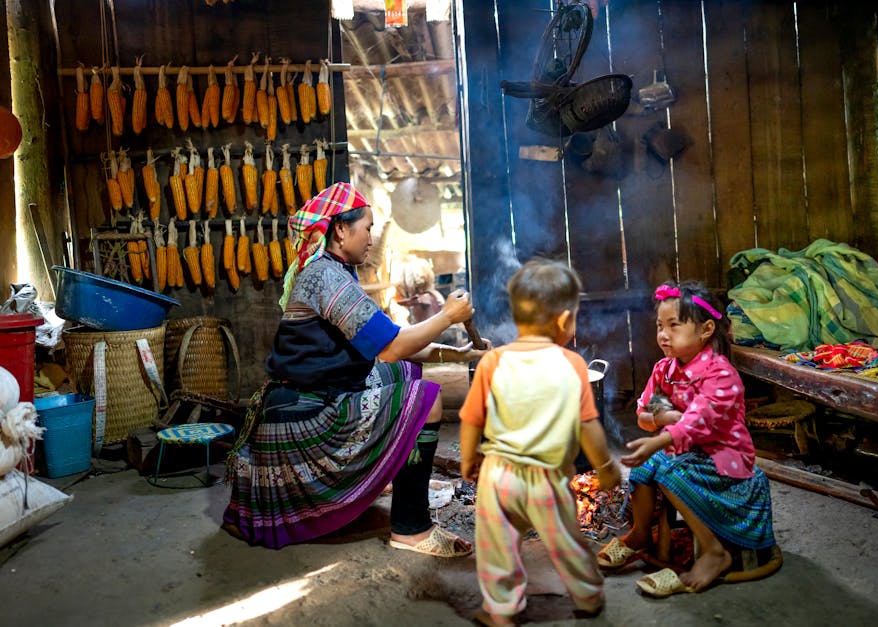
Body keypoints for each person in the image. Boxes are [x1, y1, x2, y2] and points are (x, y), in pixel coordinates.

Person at [223, 182, 488, 553]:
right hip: (304, 415)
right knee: (428, 400)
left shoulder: (334, 271)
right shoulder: (325, 277)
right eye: (366, 227)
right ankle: (412, 529)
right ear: (341, 230)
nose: (371, 237)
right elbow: (394, 347)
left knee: (405, 374)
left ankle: (385, 470)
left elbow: (390, 342)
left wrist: (463, 354)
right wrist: (447, 315)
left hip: (311, 396)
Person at [459, 259, 622, 626]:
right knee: (567, 544)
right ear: (564, 321)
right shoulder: (573, 365)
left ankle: (501, 610)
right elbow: (589, 427)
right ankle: (588, 596)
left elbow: (471, 419)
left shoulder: (492, 362)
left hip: (497, 477)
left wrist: (468, 460)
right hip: (547, 479)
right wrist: (606, 467)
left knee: (496, 548)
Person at [596, 281, 776, 596]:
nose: (663, 334)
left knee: (666, 469)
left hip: (722, 457)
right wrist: (661, 420)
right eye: (659, 326)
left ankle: (712, 551)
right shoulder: (665, 370)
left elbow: (698, 421)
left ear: (706, 330)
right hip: (685, 450)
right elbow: (647, 415)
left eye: (674, 326)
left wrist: (660, 439)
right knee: (643, 468)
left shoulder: (720, 375)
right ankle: (640, 535)